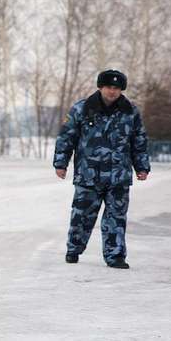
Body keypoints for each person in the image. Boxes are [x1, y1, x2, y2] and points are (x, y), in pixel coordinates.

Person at [53, 69, 150, 269]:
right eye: (108, 87)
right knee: (81, 215)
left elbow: (139, 141)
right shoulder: (82, 109)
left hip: (118, 176)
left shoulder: (130, 111)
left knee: (116, 217)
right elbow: (66, 137)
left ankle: (115, 256)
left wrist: (142, 166)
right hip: (89, 174)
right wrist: (61, 163)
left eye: (116, 88)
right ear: (100, 87)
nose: (112, 92)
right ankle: (74, 249)